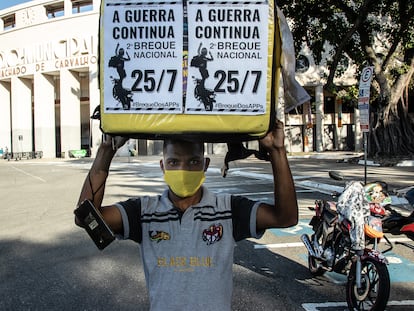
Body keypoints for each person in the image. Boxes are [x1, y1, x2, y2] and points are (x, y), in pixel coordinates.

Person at [75, 120, 298, 310]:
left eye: (193, 162)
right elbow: (86, 218)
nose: (183, 170)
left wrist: (277, 151)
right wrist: (106, 150)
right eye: (174, 162)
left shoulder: (228, 209)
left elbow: (285, 217)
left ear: (205, 164)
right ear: (163, 166)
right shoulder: (143, 212)